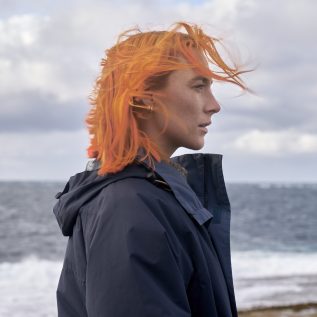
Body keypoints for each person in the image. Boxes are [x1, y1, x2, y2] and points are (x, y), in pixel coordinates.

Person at [53, 21, 253, 316]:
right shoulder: (129, 206)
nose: (214, 105)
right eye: (198, 86)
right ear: (144, 96)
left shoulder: (153, 195)